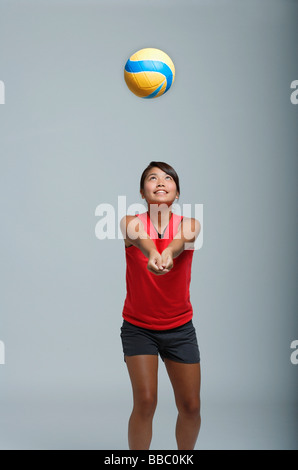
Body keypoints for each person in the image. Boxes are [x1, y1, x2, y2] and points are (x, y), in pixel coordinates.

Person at [120, 161, 201, 450]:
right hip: (138, 328)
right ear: (143, 192)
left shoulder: (190, 224)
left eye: (168, 178)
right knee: (146, 401)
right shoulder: (130, 221)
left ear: (177, 193)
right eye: (152, 178)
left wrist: (167, 252)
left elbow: (180, 241)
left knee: (190, 407)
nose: (161, 182)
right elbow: (139, 239)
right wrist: (153, 251)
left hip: (180, 328)